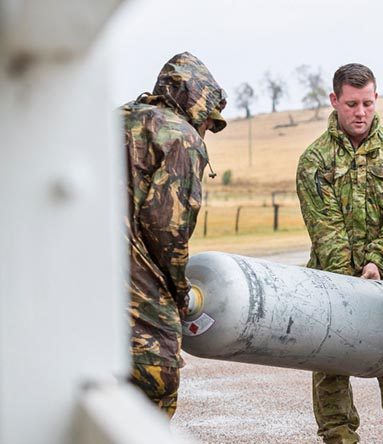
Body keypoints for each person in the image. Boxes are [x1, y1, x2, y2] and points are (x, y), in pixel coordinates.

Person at [296, 63, 383, 444]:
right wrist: (351, 282)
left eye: (367, 103)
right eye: (351, 104)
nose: (360, 112)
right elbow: (325, 229)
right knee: (330, 366)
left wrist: (377, 262)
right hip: (333, 285)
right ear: (334, 101)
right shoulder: (314, 160)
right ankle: (339, 438)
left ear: (377, 99)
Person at [122, 52, 227, 417]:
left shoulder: (112, 122)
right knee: (155, 392)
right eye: (208, 124)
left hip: (75, 298)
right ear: (196, 105)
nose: (205, 132)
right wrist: (179, 290)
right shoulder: (179, 138)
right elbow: (165, 224)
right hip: (138, 300)